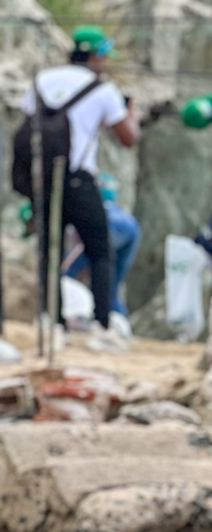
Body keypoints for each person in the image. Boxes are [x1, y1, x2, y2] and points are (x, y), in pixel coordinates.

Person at [20, 24, 140, 351]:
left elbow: (29, 125)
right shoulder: (102, 89)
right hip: (79, 178)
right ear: (98, 55)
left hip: (43, 179)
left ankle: (51, 322)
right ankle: (103, 325)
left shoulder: (42, 80)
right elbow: (128, 138)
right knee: (100, 250)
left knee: (50, 252)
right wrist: (131, 113)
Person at [65, 175, 139, 321]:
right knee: (111, 282)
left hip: (107, 222)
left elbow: (80, 251)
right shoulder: (119, 212)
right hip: (131, 226)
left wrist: (68, 271)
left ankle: (98, 318)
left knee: (73, 273)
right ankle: (116, 318)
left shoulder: (81, 208)